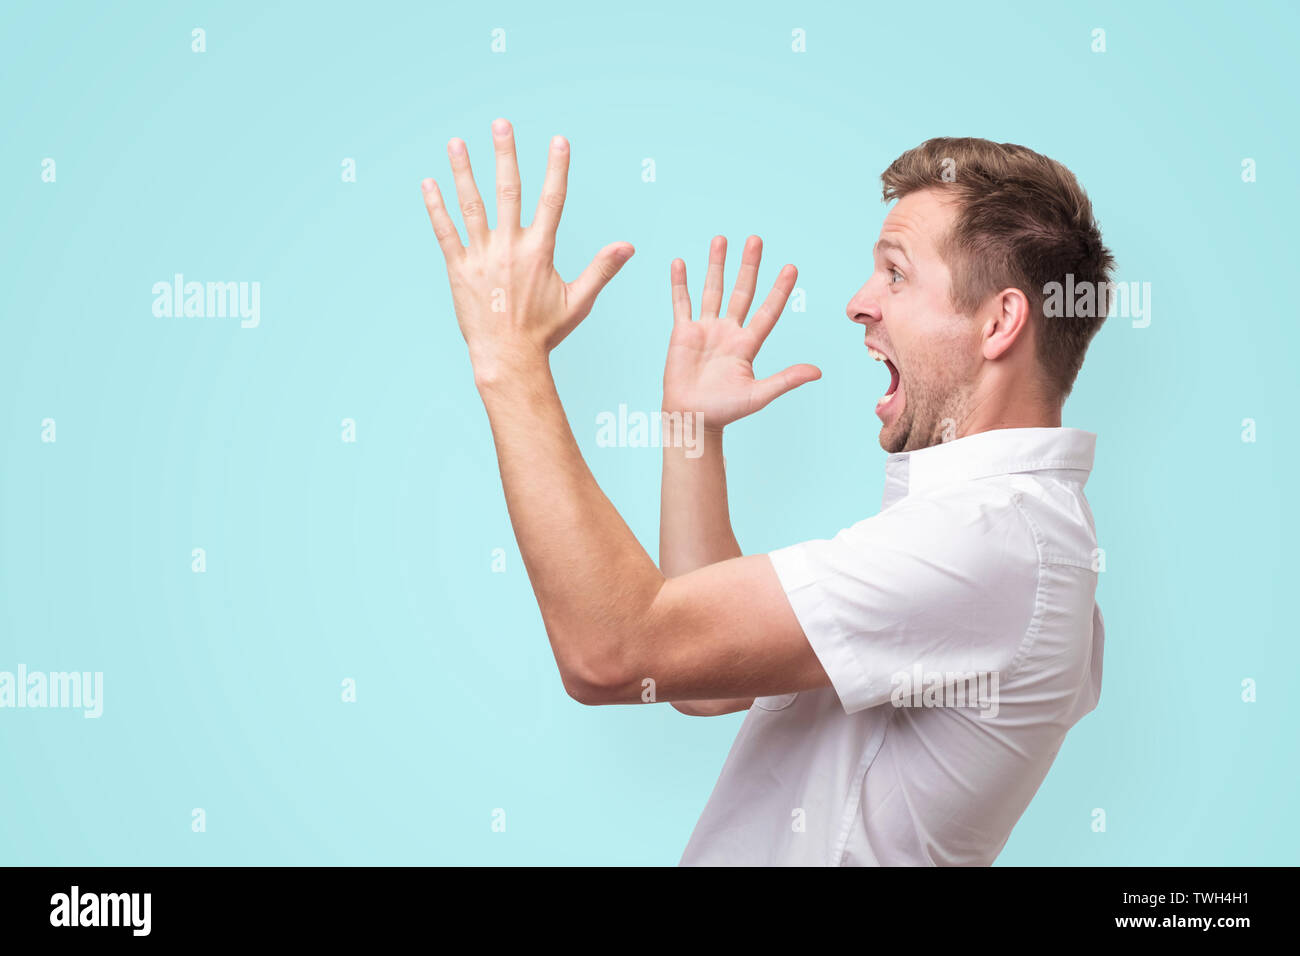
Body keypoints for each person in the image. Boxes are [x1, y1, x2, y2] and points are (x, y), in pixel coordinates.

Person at [420, 120, 1113, 866]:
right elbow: (698, 679)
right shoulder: (1001, 534)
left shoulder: (987, 541)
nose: (859, 302)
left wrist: (507, 353)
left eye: (897, 274)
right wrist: (693, 431)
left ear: (999, 322)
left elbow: (613, 653)